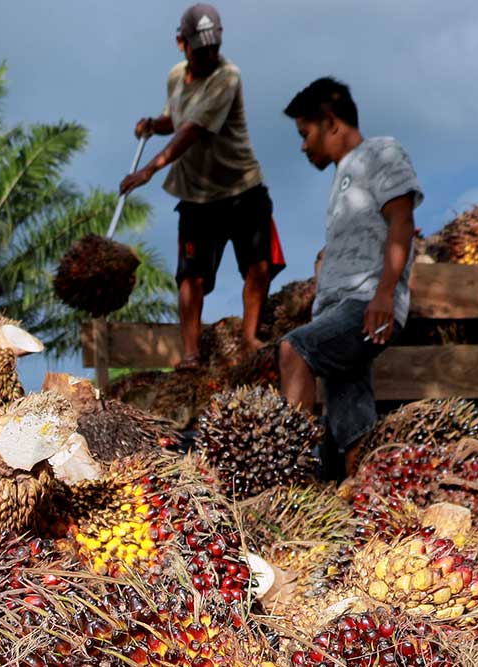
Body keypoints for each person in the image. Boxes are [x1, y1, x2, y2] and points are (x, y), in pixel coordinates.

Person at [119, 3, 284, 370]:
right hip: (197, 194)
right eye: (202, 48)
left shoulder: (228, 77)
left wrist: (148, 171)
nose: (210, 54)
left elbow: (192, 131)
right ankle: (191, 353)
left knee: (258, 265)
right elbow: (177, 120)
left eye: (214, 46)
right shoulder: (176, 76)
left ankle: (250, 338)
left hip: (242, 187)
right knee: (190, 275)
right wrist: (153, 124)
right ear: (182, 43)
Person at [279, 77, 423, 481]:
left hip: (365, 305)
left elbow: (402, 220)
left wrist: (383, 295)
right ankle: (362, 498)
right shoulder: (342, 177)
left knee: (295, 350)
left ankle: (294, 482)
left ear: (331, 122)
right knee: (350, 417)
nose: (303, 145)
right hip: (342, 306)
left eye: (305, 134)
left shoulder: (381, 152)